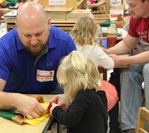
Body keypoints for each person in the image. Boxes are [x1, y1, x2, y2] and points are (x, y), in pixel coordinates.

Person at [0, 2, 76, 119]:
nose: (34, 41)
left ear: (48, 23)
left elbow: (80, 85)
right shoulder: (5, 47)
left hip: (49, 102)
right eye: (27, 35)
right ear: (17, 27)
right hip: (12, 107)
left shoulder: (65, 43)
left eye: (39, 34)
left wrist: (68, 95)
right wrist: (16, 100)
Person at [104, 0, 149, 132]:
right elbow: (128, 44)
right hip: (144, 55)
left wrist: (124, 61)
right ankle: (130, 127)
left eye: (133, 5)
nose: (129, 10)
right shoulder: (137, 17)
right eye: (129, 5)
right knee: (129, 70)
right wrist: (105, 52)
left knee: (147, 69)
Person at [70, 15, 119, 133]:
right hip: (92, 88)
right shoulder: (95, 49)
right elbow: (110, 64)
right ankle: (113, 128)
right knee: (112, 91)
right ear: (93, 32)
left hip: (73, 86)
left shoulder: (71, 47)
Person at [49, 51, 108, 133]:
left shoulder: (83, 96)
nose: (65, 88)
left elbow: (69, 119)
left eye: (65, 84)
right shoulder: (98, 95)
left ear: (74, 82)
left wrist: (55, 110)